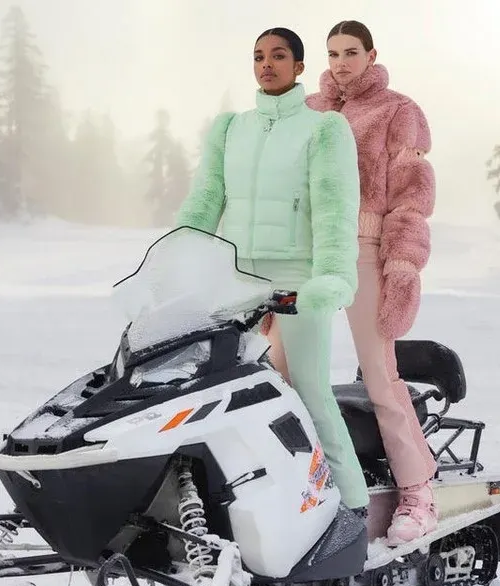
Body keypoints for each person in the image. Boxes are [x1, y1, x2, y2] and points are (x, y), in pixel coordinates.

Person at [173, 27, 371, 514]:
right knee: (223, 393)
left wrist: (331, 276)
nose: (267, 64)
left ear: (299, 66)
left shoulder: (323, 129)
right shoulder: (230, 129)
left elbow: (335, 210)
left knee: (309, 389)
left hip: (297, 280)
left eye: (279, 56)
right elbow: (205, 201)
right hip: (237, 279)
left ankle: (353, 506)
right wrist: (178, 257)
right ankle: (251, 499)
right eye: (259, 56)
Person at [305, 20, 439, 545]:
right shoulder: (310, 111)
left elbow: (411, 197)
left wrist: (401, 266)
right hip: (310, 256)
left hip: (364, 251)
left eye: (351, 52)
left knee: (380, 376)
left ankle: (417, 493)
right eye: (333, 53)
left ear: (371, 55)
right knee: (284, 373)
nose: (341, 63)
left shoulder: (397, 111)